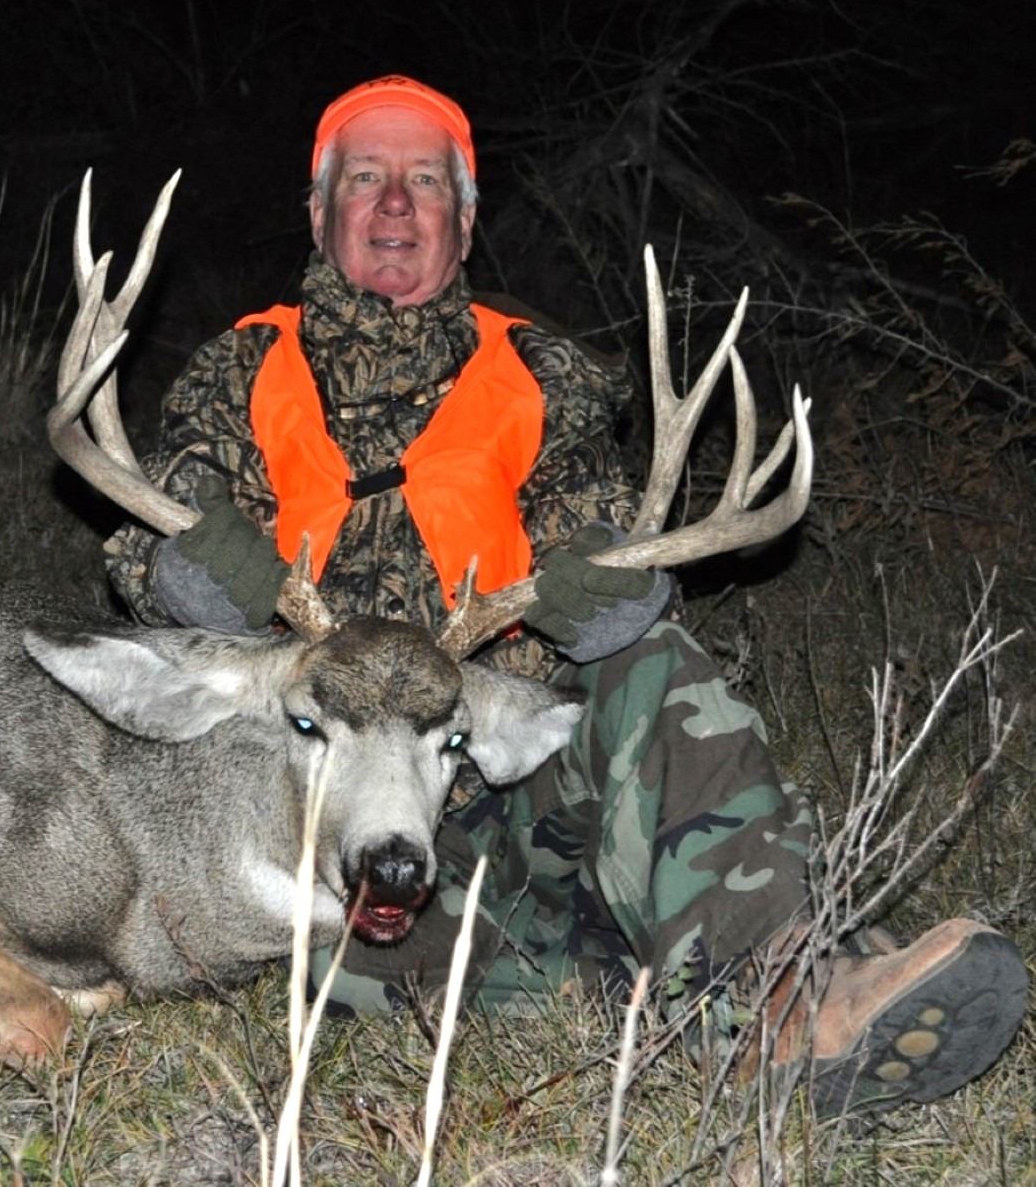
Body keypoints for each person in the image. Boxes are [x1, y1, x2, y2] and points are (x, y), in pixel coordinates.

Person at [104, 75, 1027, 1116]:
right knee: (289, 940)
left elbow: (598, 521)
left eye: (425, 181)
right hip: (328, 834)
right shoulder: (239, 370)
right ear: (318, 214)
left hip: (507, 782)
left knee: (653, 668)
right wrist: (186, 571)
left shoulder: (540, 376)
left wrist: (607, 578)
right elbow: (162, 524)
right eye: (364, 179)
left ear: (464, 221)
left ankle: (784, 998)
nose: (395, 203)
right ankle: (662, 975)